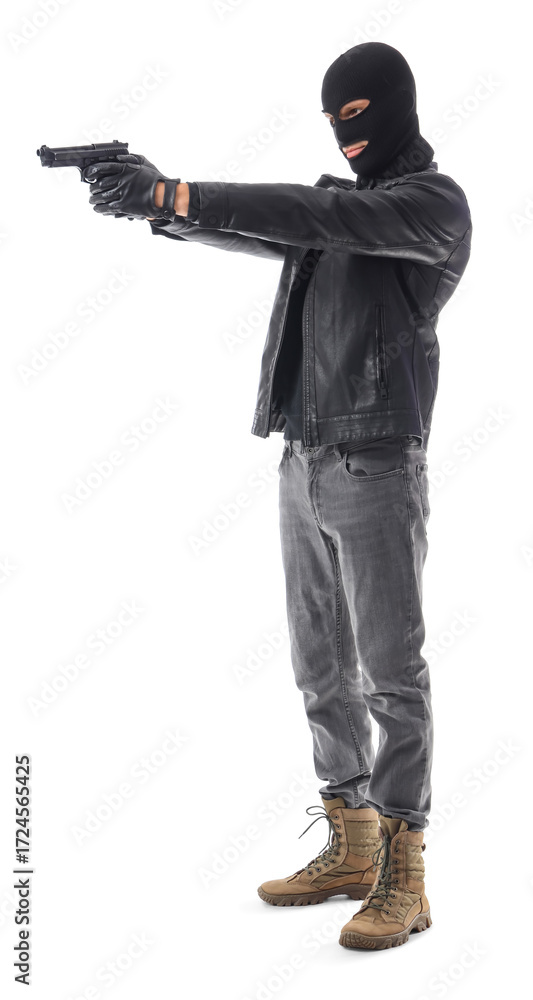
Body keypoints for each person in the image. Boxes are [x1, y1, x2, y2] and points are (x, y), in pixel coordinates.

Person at [83, 41, 472, 951]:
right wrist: (160, 207)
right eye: (331, 120)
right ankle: (352, 842)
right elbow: (271, 229)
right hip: (303, 461)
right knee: (319, 666)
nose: (343, 134)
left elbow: (308, 213)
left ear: (396, 105)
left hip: (376, 464)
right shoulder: (341, 212)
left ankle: (405, 873)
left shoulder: (430, 206)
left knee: (391, 674)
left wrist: (178, 191)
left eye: (355, 115)